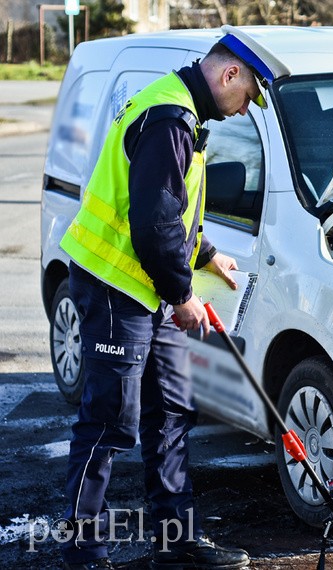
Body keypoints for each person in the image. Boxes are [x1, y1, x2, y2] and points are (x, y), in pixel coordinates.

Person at [58, 28, 274, 570]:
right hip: (115, 287)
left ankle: (176, 545)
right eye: (247, 95)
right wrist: (181, 295)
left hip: (144, 290)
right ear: (229, 74)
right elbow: (152, 225)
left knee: (172, 413)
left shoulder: (184, 115)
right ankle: (83, 551)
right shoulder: (170, 118)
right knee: (110, 422)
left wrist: (207, 255)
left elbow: (173, 212)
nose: (244, 108)